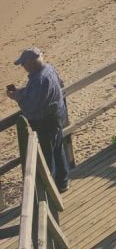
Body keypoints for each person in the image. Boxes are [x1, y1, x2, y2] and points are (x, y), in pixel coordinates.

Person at [5, 48, 70, 192]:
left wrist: (16, 97)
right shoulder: (48, 69)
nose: (23, 66)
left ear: (31, 63)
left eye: (23, 63)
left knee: (47, 156)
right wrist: (21, 92)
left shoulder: (39, 79)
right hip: (57, 116)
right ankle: (63, 182)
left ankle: (50, 190)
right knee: (58, 149)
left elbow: (32, 106)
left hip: (45, 122)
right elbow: (42, 92)